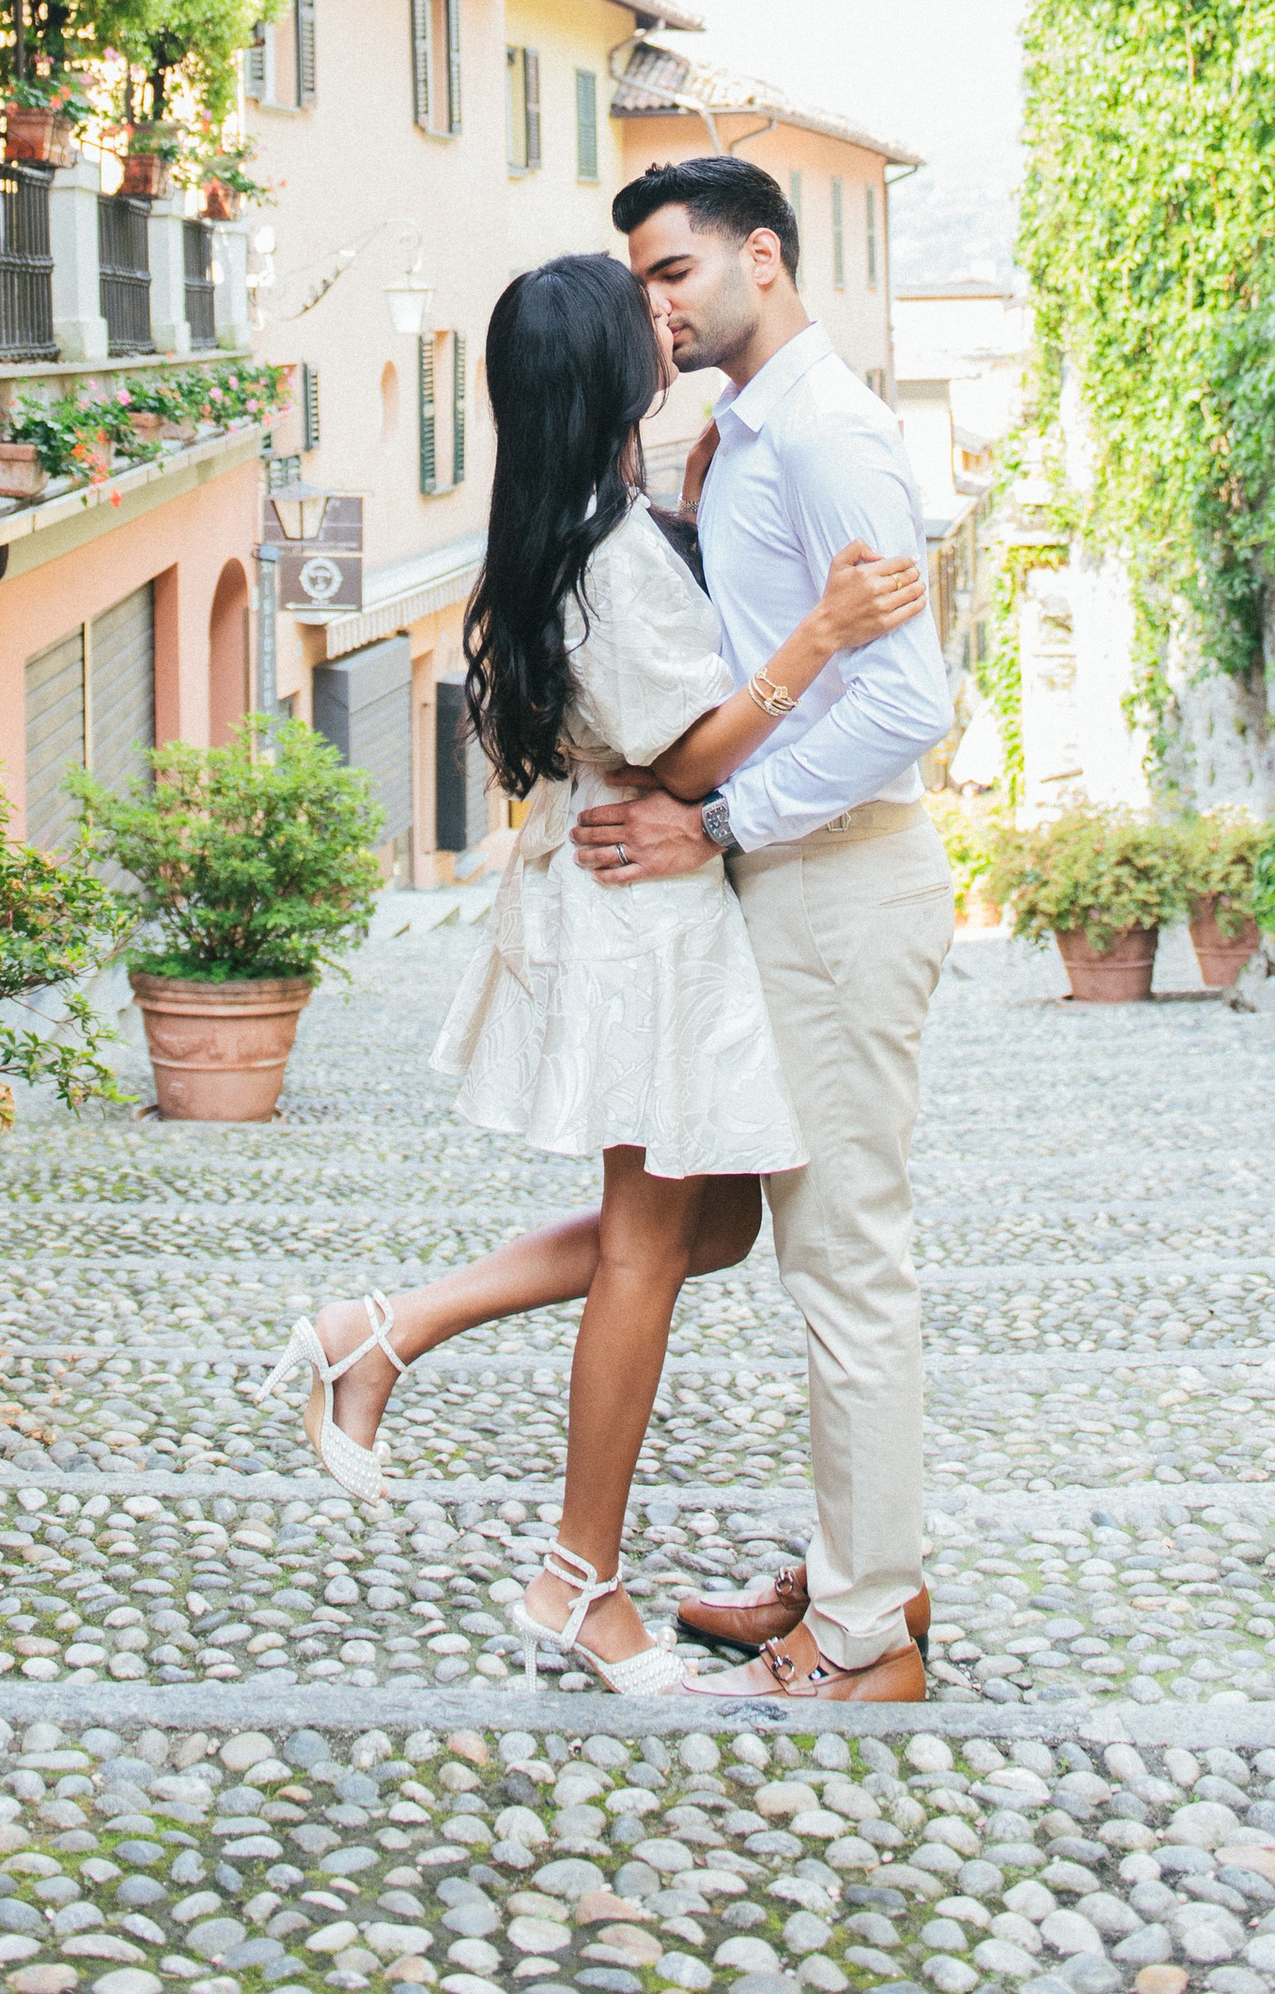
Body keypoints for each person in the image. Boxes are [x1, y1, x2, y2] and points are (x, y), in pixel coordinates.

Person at [259, 247, 926, 1696]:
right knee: (647, 1246)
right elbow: (684, 760)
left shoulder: (571, 520)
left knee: (711, 1227)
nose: (666, 322)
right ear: (610, 375)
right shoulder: (609, 553)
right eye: (645, 316)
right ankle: (579, 1578)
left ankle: (387, 1332)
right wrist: (818, 637)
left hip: (621, 906)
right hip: (646, 920)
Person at [586, 152, 957, 1706]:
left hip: (841, 883)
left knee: (846, 1262)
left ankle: (867, 1643)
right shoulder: (739, 437)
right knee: (819, 1251)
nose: (656, 308)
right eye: (642, 284)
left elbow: (908, 701)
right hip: (793, 888)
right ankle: (864, 1570)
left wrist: (723, 821)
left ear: (765, 258)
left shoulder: (827, 435)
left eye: (674, 272)